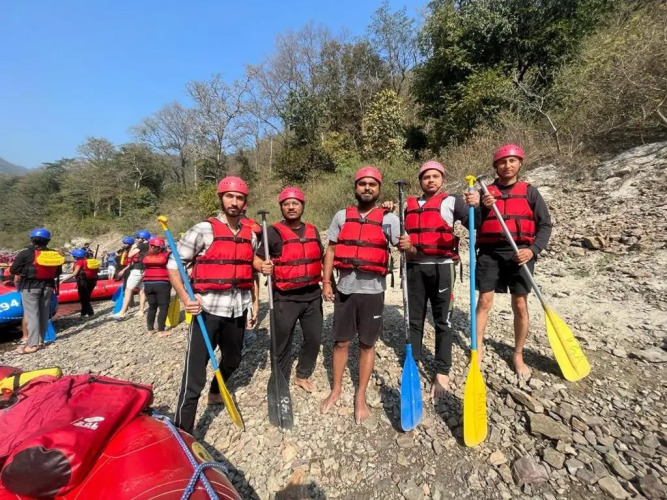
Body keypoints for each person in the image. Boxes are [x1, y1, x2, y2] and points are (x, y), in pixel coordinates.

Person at [168, 176, 263, 434]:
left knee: (233, 359)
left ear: (244, 202)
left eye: (239, 198)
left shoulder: (249, 234)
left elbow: (249, 266)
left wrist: (255, 302)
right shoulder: (203, 229)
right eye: (229, 196)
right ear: (221, 198)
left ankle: (215, 391)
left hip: (237, 310)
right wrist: (186, 298)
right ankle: (183, 430)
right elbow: (174, 264)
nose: (234, 202)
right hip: (206, 311)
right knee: (194, 375)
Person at [320, 166, 400, 424]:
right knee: (341, 342)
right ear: (355, 187)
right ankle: (336, 388)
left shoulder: (389, 218)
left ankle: (360, 394)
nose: (367, 187)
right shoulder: (341, 216)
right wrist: (326, 282)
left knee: (367, 344)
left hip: (373, 292)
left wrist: (408, 244)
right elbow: (331, 250)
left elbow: (404, 247)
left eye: (372, 184)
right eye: (363, 183)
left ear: (379, 189)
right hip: (345, 289)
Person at [396, 161, 480, 398]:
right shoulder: (408, 205)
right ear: (420, 181)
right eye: (426, 177)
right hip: (414, 267)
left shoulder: (452, 201)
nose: (430, 180)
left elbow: (477, 223)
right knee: (414, 319)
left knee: (443, 321)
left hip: (442, 267)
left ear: (442, 179)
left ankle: (442, 370)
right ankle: (412, 361)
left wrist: (476, 206)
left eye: (435, 176)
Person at [475, 144, 553, 379]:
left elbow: (545, 225)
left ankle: (518, 353)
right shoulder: (485, 192)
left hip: (521, 253)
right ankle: (477, 348)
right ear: (495, 166)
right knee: (484, 301)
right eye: (502, 162)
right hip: (490, 252)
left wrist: (533, 250)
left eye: (512, 161)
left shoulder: (530, 192)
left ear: (519, 163)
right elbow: (473, 223)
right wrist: (482, 207)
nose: (507, 166)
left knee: (520, 303)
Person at [257, 187, 324, 394]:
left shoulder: (313, 230)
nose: (291, 207)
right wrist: (262, 266)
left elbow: (321, 257)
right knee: (282, 341)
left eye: (295, 203)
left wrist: (328, 283)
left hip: (312, 296)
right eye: (286, 204)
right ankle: (280, 377)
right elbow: (257, 258)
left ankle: (302, 374)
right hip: (284, 297)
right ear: (281, 208)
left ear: (302, 206)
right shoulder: (272, 232)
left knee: (314, 338)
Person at [9, 228, 61, 354]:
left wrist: (25, 271)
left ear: (32, 240)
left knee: (32, 316)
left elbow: (13, 270)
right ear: (48, 241)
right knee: (44, 315)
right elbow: (58, 272)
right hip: (48, 287)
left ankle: (32, 345)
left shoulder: (25, 254)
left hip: (30, 287)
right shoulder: (54, 254)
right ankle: (40, 341)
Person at [113, 230, 150, 320]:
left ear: (142, 238)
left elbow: (130, 255)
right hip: (144, 270)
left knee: (128, 290)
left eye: (138, 238)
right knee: (141, 290)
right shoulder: (148, 246)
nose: (136, 239)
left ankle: (122, 312)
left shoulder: (141, 245)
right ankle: (141, 310)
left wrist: (133, 247)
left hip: (137, 270)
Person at [142, 237, 172, 336]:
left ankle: (150, 330)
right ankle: (161, 331)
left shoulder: (146, 256)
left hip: (148, 283)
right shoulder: (167, 255)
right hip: (162, 283)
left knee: (152, 307)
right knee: (163, 307)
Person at [61, 248, 99, 318]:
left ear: (76, 256)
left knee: (83, 298)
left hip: (83, 282)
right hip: (93, 281)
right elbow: (97, 271)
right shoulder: (90, 261)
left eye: (74, 256)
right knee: (86, 297)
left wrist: (63, 280)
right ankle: (83, 313)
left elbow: (75, 273)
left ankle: (91, 313)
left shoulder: (80, 262)